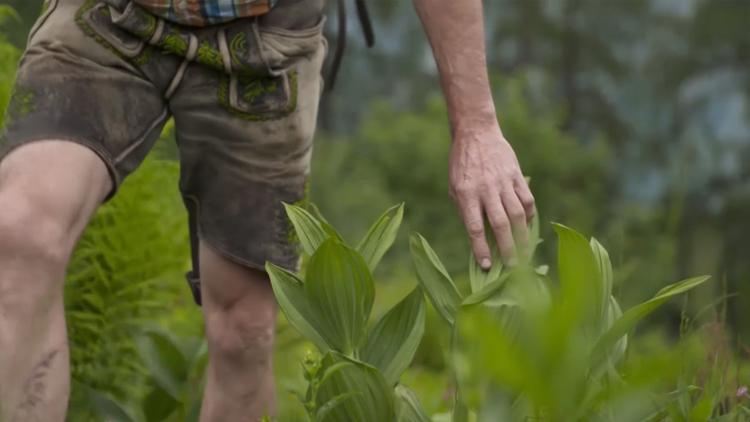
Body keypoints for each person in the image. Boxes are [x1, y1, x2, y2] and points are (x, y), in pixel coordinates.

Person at [0, 0, 535, 420]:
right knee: (20, 228)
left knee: (244, 329)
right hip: (108, 20)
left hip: (264, 39)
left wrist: (477, 126)